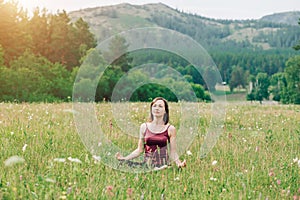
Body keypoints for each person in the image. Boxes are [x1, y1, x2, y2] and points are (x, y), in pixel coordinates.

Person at [115, 97, 186, 169]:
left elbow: (173, 152)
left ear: (165, 111)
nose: (157, 108)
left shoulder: (170, 129)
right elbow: (139, 150)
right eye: (154, 106)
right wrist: (125, 159)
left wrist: (179, 163)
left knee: (164, 168)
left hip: (163, 164)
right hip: (147, 165)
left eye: (160, 106)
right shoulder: (144, 127)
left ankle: (160, 169)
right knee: (124, 165)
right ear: (151, 109)